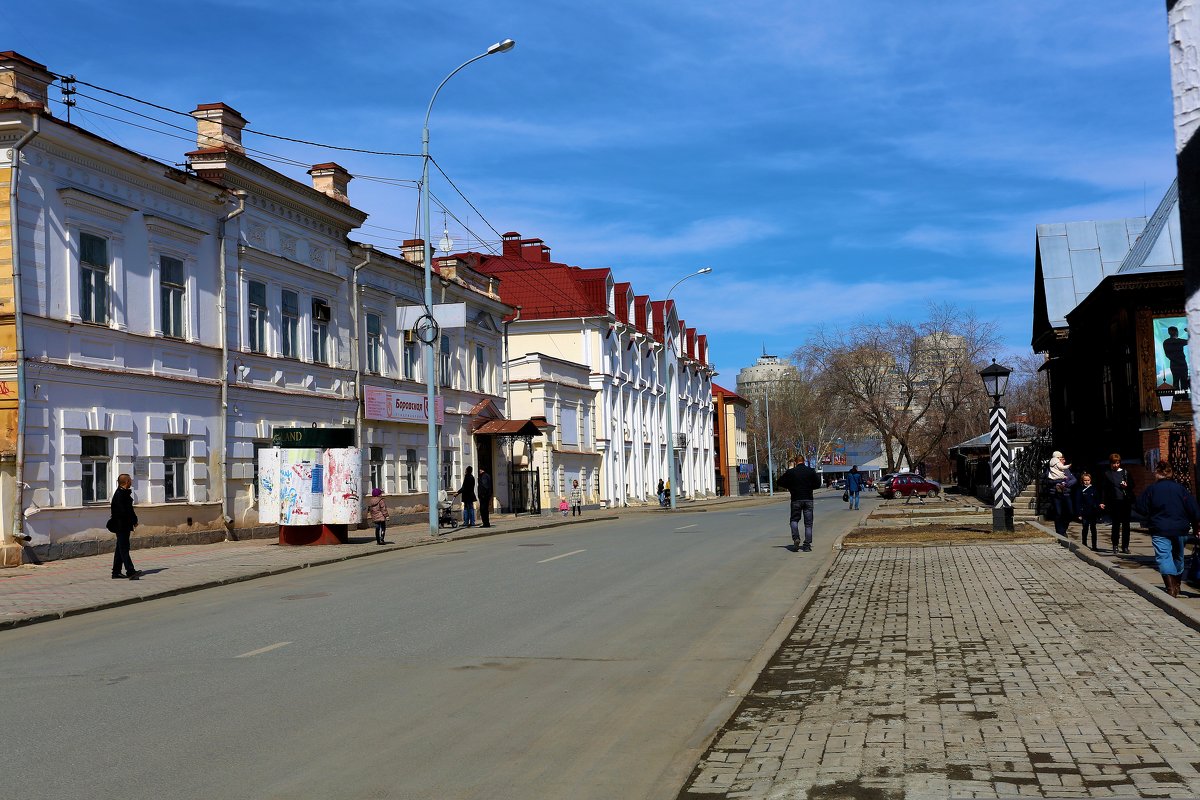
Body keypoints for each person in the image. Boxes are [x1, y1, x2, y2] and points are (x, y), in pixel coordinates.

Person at [1134, 460, 1200, 598]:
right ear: (1171, 473)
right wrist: (1195, 526)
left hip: (1159, 528)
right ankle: (1176, 584)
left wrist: (1150, 515)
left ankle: (1170, 588)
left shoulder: (1151, 490)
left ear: (1157, 473)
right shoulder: (1181, 489)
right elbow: (1194, 509)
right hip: (1180, 528)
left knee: (1164, 557)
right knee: (1178, 557)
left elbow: (1140, 507)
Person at [776, 458, 820, 552]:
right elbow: (818, 484)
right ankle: (807, 545)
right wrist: (809, 487)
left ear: (795, 462)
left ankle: (796, 538)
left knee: (794, 520)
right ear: (804, 461)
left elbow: (779, 482)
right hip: (808, 499)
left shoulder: (792, 472)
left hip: (796, 499)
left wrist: (790, 486)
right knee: (808, 524)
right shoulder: (810, 471)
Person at [1099, 452, 1134, 554]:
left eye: (1118, 463)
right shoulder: (1107, 474)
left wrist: (1126, 485)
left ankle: (1125, 546)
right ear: (1110, 463)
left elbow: (1132, 485)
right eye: (1114, 463)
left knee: (1126, 525)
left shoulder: (1125, 472)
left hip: (1125, 501)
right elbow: (1104, 489)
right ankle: (1115, 545)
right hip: (1114, 502)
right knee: (1116, 525)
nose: (1116, 465)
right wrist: (1102, 501)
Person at [109, 473, 141, 580]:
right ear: (127, 482)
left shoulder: (124, 493)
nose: (131, 482)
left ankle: (116, 572)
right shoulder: (119, 495)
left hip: (124, 525)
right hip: (121, 526)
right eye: (130, 480)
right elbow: (124, 512)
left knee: (120, 548)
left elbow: (129, 510)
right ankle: (130, 571)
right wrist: (132, 520)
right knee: (124, 548)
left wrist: (134, 520)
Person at [1046, 451, 1076, 537]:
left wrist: (1065, 484)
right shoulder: (1051, 469)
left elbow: (1074, 480)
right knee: (1058, 513)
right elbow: (1048, 480)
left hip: (1066, 493)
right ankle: (1059, 533)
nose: (1063, 461)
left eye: (1063, 459)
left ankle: (1063, 529)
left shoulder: (1066, 470)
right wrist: (1059, 482)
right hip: (1055, 494)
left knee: (1070, 512)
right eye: (1061, 459)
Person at [1074, 472, 1100, 550]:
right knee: (1085, 528)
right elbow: (1077, 502)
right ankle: (1084, 543)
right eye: (1085, 480)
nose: (1086, 482)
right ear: (1082, 480)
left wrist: (1099, 507)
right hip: (1084, 512)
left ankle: (1094, 545)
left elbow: (1097, 500)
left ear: (1090, 480)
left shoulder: (1094, 489)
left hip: (1093, 512)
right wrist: (1079, 514)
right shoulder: (1080, 490)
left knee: (1093, 529)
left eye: (1088, 480)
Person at [1163, 325, 1191, 393]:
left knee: (1175, 382)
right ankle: (1184, 398)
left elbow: (1167, 355)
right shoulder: (1179, 341)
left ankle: (1176, 398)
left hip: (1173, 365)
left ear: (1169, 333)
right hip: (1182, 365)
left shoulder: (1166, 342)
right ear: (1177, 332)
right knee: (1184, 382)